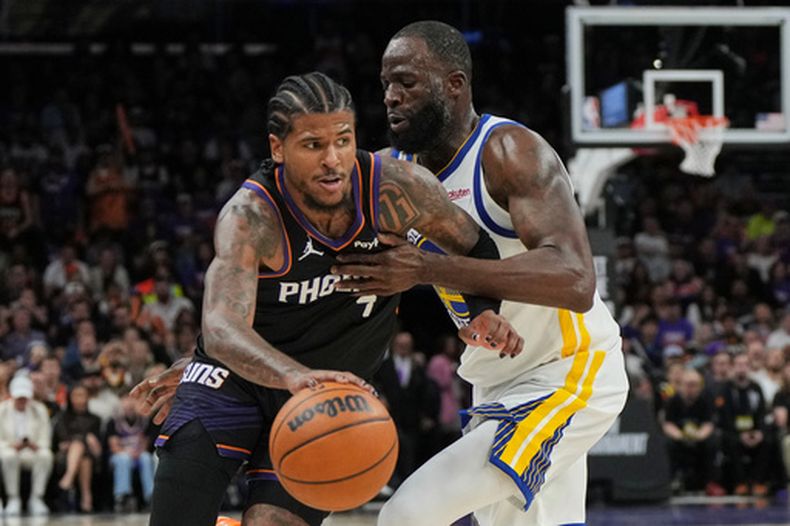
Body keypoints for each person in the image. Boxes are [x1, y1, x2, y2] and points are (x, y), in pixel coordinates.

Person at [137, 71, 521, 526]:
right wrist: (296, 377)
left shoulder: (394, 190)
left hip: (328, 395)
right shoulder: (251, 215)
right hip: (235, 380)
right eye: (313, 145)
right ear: (278, 148)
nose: (333, 160)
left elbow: (475, 245)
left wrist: (481, 311)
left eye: (343, 140)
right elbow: (221, 328)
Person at [332, 21, 629, 526]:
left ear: (454, 84)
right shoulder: (391, 174)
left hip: (568, 371)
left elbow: (576, 280)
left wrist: (426, 268)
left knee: (407, 514)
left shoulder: (508, 152)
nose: (390, 97)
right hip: (493, 380)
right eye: (386, 84)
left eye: (407, 82)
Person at [0, 375, 53, 516]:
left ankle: (37, 498)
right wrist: (12, 446)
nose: (22, 400)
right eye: (19, 397)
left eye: (25, 397)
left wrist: (35, 445)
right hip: (9, 451)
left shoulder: (40, 409)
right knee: (9, 456)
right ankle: (13, 498)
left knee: (45, 455)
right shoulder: (2, 410)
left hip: (32, 451)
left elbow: (45, 438)